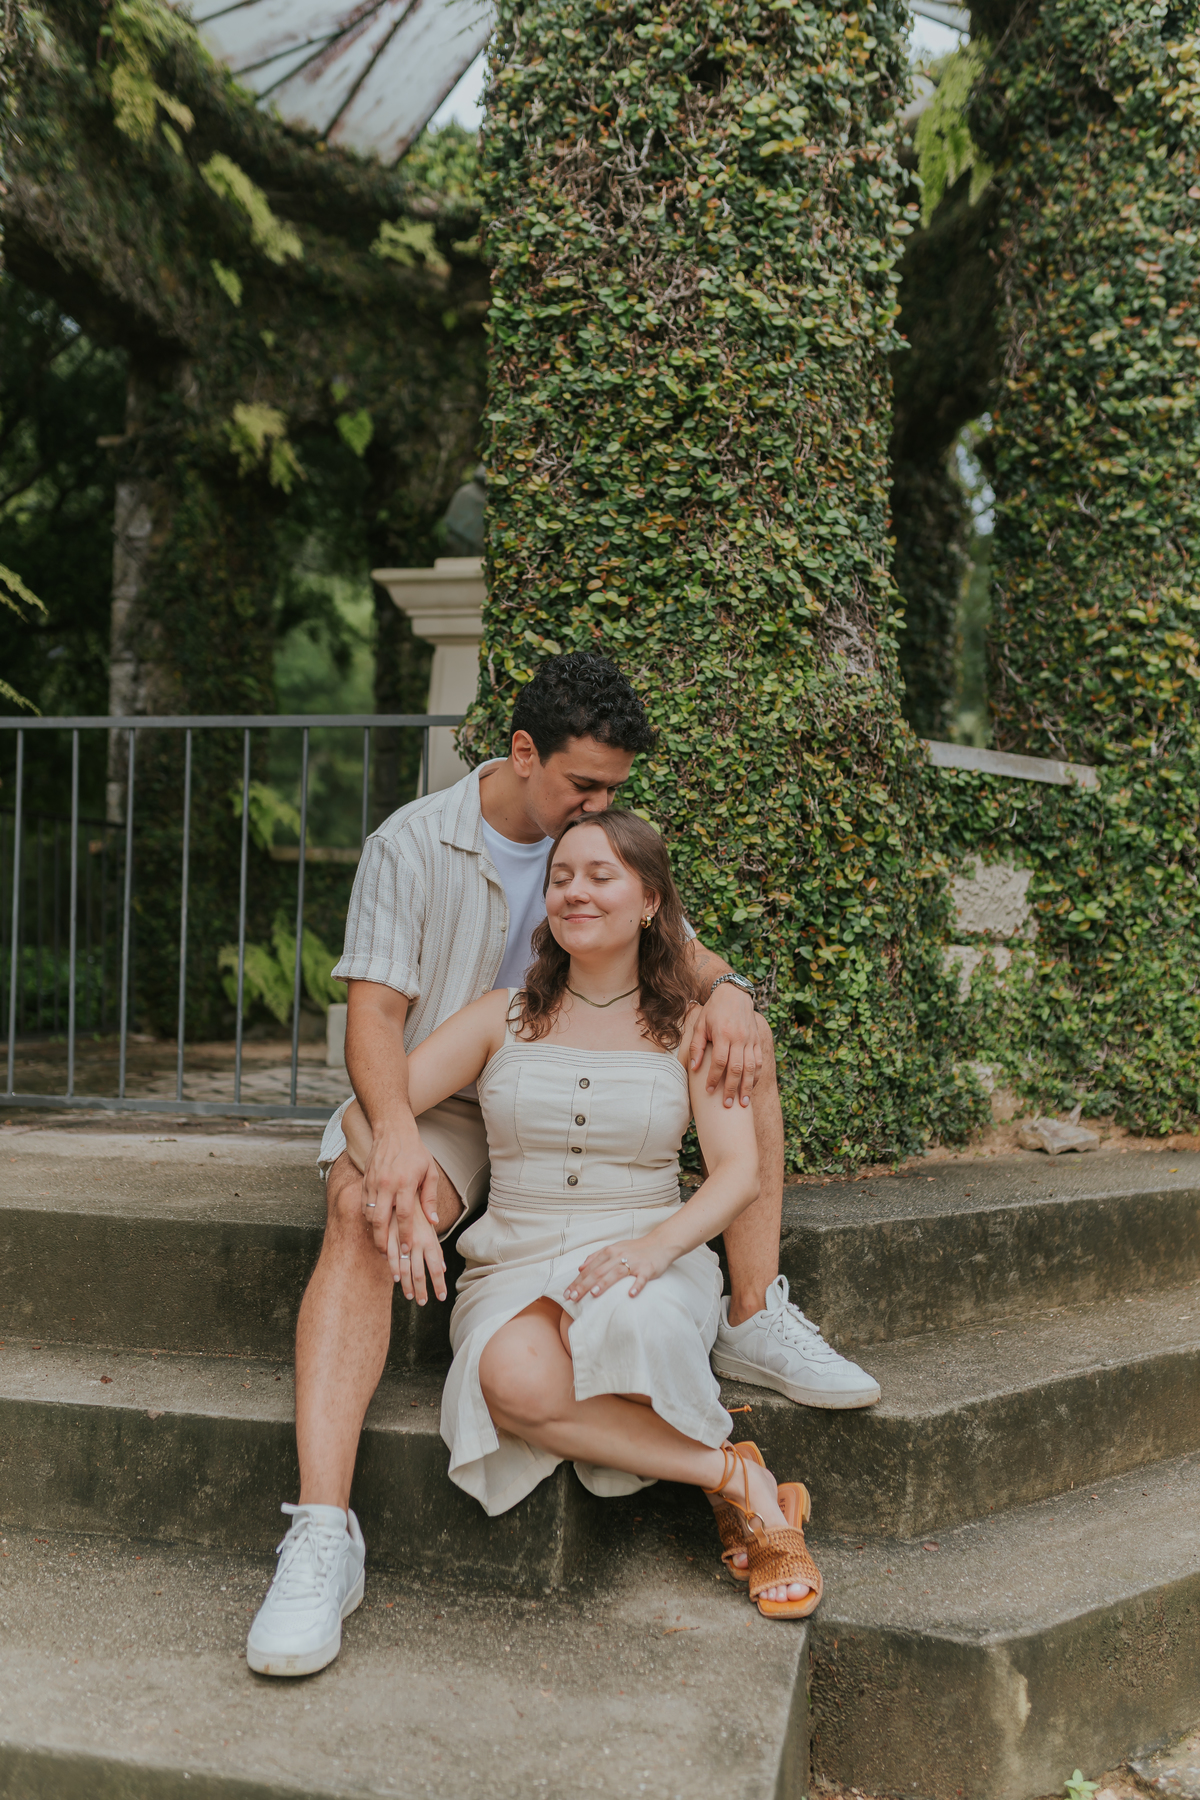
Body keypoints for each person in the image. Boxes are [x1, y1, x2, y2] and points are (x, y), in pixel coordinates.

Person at [246, 652, 873, 1677]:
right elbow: (375, 1024)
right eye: (584, 784)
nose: (598, 805)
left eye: (614, 793)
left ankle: (755, 1315)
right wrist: (396, 1145)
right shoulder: (413, 845)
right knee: (362, 1200)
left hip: (589, 1116)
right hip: (446, 1096)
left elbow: (692, 959)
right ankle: (322, 1533)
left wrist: (735, 997)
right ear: (523, 752)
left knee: (737, 1048)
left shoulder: (601, 852)